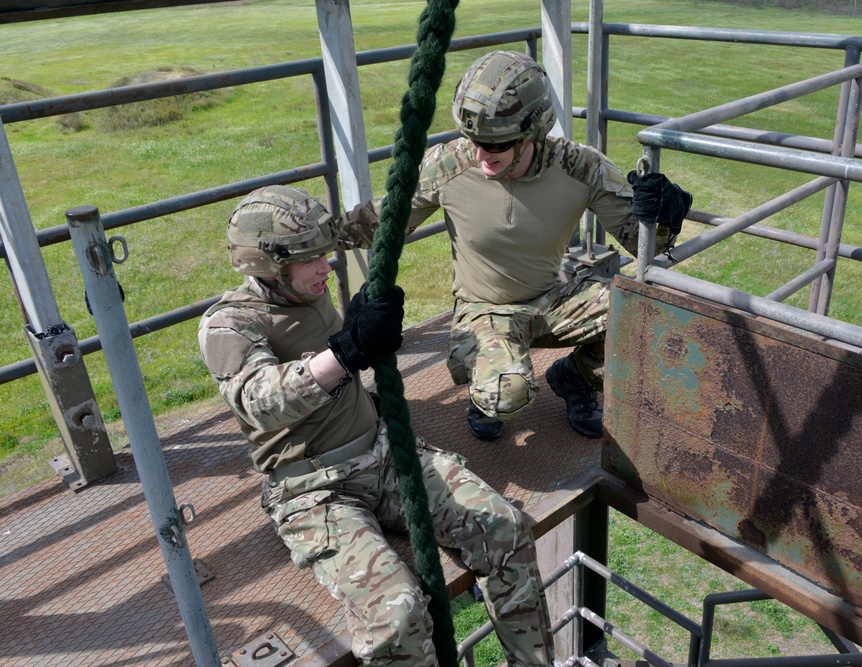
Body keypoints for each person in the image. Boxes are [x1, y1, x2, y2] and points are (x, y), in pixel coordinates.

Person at [197, 185, 556, 667]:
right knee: (398, 615)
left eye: (324, 254)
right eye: (309, 259)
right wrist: (347, 350)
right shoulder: (230, 323)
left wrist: (361, 335)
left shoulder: (309, 291)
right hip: (314, 490)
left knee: (503, 528)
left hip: (383, 455)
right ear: (267, 264)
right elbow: (258, 400)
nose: (326, 266)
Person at [403, 50, 693, 441]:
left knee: (648, 327)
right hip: (485, 310)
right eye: (474, 139)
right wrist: (306, 238)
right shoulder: (448, 164)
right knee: (504, 395)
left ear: (532, 134)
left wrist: (662, 219)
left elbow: (640, 244)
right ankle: (486, 386)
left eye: (497, 143)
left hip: (554, 299)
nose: (481, 154)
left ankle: (575, 379)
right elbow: (385, 226)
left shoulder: (580, 167)